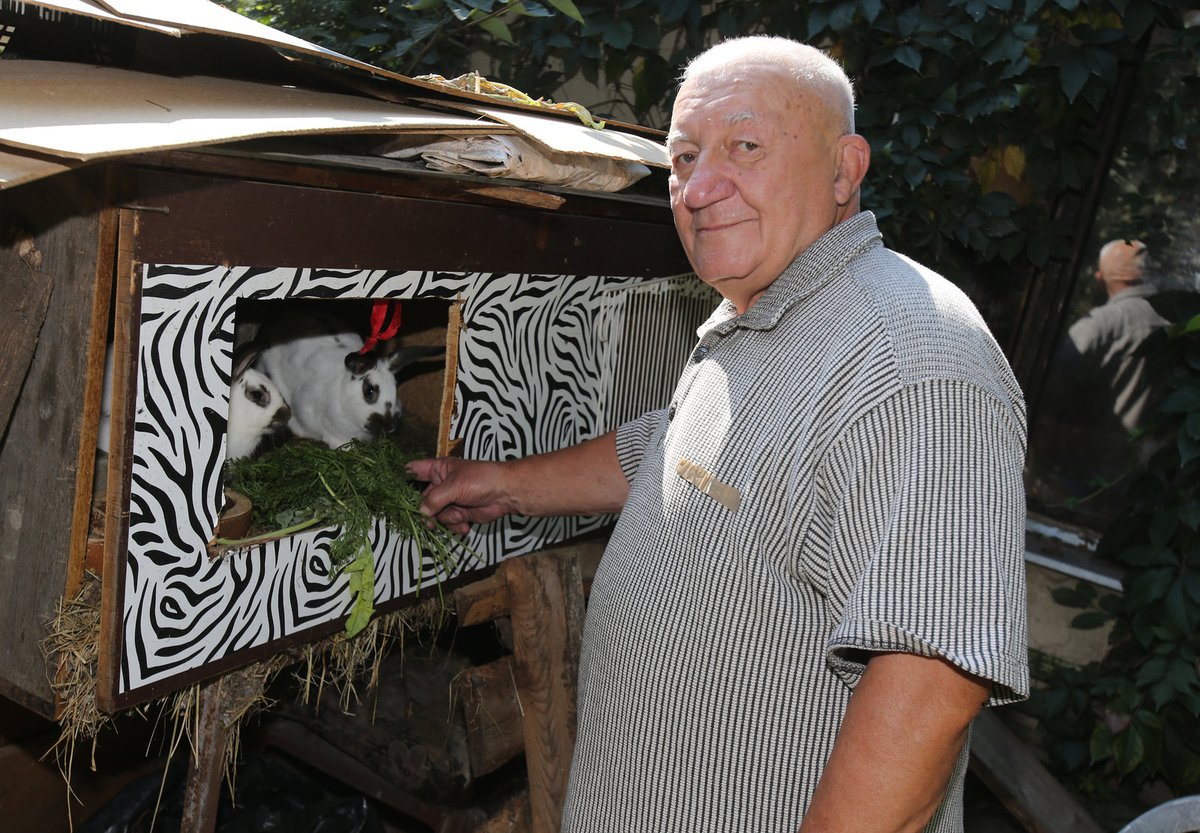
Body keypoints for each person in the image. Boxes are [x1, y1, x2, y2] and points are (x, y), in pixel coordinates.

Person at [410, 36, 1028, 833]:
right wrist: (501, 482)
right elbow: (669, 452)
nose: (700, 190)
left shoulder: (911, 357)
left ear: (845, 170)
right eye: (683, 158)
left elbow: (933, 679)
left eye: (744, 146)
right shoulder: (763, 312)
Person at [1026, 239, 1167, 524]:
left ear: (1101, 278)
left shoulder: (1100, 325)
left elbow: (1051, 388)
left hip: (1085, 474)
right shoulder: (1175, 323)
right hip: (1149, 479)